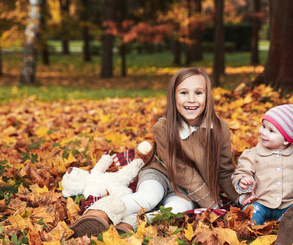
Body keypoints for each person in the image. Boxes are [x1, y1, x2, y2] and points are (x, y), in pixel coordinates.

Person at [70, 67, 240, 236]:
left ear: (208, 96)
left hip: (188, 190)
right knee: (149, 197)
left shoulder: (219, 128)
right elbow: (181, 170)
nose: (191, 100)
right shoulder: (164, 127)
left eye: (198, 93)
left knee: (177, 209)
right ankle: (99, 213)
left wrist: (241, 198)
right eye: (183, 93)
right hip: (161, 174)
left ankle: (130, 225)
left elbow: (224, 169)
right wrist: (210, 203)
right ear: (173, 97)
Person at [231, 104, 293, 245]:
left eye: (271, 130)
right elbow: (241, 172)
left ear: (286, 140)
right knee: (251, 215)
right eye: (263, 126)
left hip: (290, 203)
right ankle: (248, 238)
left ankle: (289, 238)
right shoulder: (253, 154)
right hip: (261, 201)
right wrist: (243, 181)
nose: (263, 132)